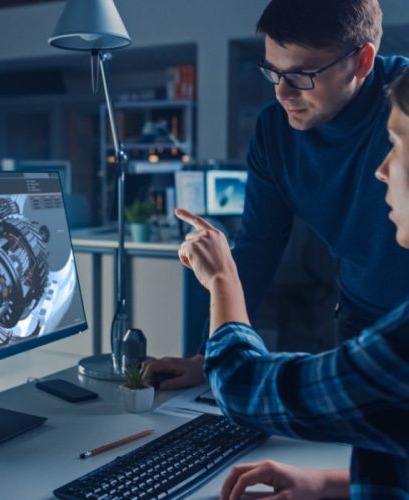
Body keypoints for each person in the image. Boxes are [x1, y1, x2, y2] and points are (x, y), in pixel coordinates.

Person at [144, 0, 409, 391]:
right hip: (359, 316)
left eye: (302, 74)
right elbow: (258, 246)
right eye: (273, 72)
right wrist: (207, 354)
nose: (283, 93)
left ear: (362, 62)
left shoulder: (404, 108)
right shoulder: (275, 132)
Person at [175, 66, 409, 499]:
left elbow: (243, 389)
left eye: (395, 144)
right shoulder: (274, 132)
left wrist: (222, 278)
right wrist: (324, 483)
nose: (381, 171)